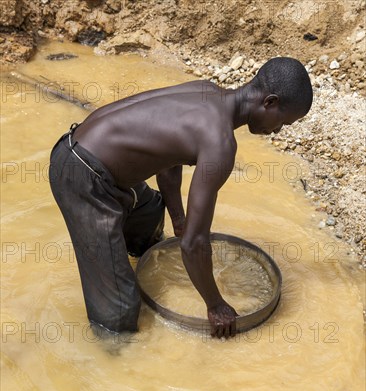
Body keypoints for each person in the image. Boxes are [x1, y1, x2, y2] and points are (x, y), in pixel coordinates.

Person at [49, 56, 313, 340]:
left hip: (84, 152)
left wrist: (178, 218)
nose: (277, 131)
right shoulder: (220, 142)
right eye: (283, 123)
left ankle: (127, 257)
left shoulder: (206, 91)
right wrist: (216, 305)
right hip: (82, 177)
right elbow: (194, 243)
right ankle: (112, 352)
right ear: (269, 102)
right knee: (120, 310)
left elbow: (169, 160)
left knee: (150, 213)